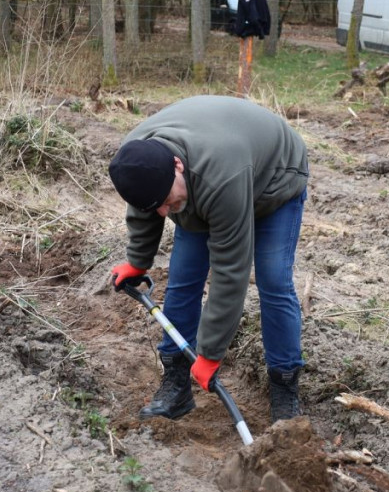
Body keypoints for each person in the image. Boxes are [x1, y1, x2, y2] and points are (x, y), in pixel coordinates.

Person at [108, 96, 309, 424]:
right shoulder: (138, 159)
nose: (162, 213)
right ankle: (176, 383)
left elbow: (231, 271)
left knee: (273, 280)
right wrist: (138, 260)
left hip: (275, 180)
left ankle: (284, 387)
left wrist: (211, 353)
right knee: (185, 275)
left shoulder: (220, 177)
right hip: (208, 176)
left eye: (165, 201)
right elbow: (145, 202)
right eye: (155, 206)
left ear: (176, 165)